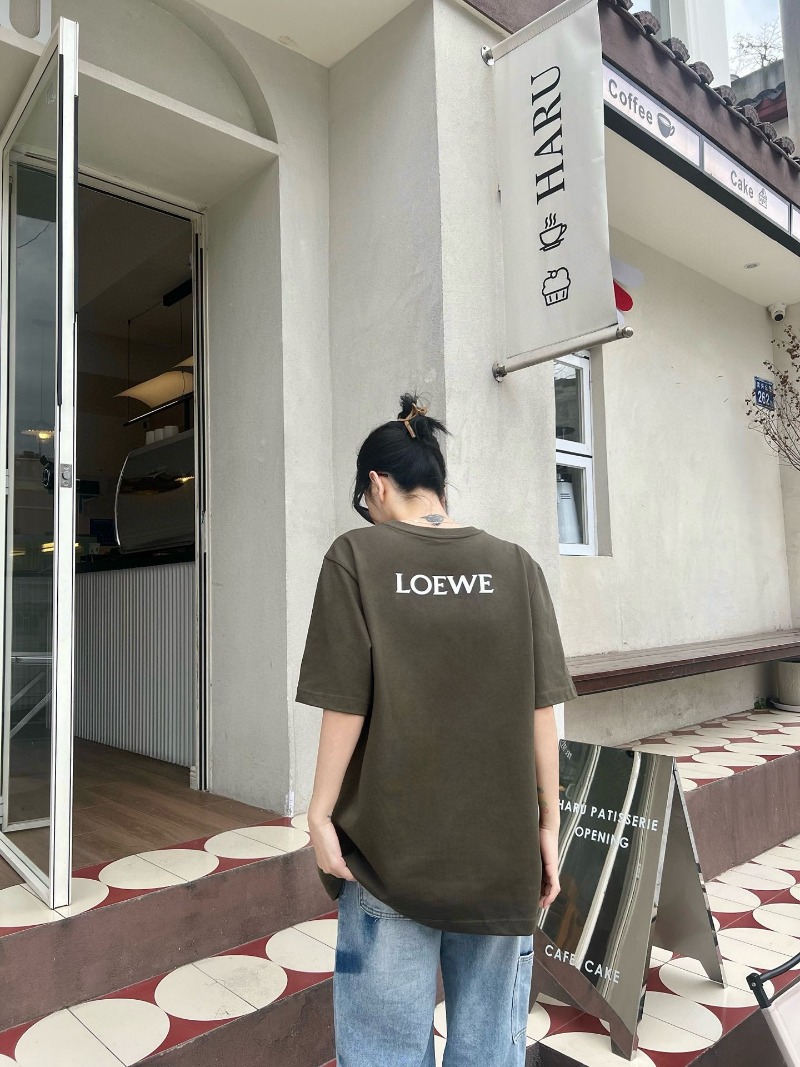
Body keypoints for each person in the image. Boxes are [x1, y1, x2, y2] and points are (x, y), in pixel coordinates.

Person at [295, 393, 578, 1066]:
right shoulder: (517, 565)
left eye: (365, 501)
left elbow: (346, 704)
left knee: (385, 1052)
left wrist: (319, 812)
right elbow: (543, 710)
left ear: (376, 485)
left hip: (389, 856)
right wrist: (548, 824)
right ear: (437, 484)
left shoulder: (355, 556)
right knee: (489, 1050)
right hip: (501, 856)